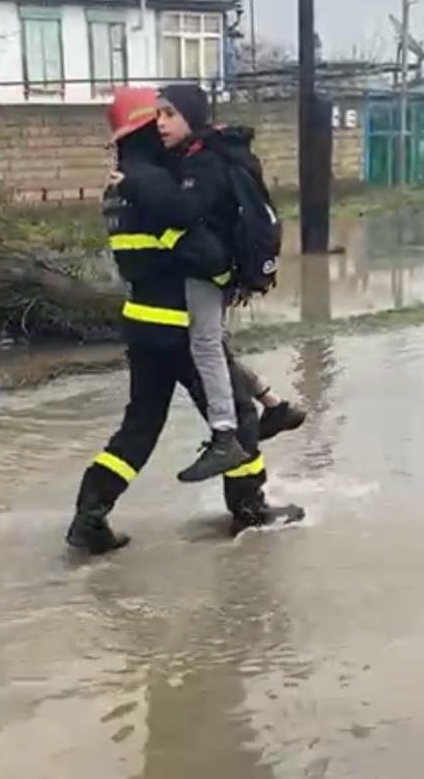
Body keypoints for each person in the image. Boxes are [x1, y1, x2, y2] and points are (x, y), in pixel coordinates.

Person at [66, 88, 302, 556]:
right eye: (154, 120)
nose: (161, 127)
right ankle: (250, 511)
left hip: (141, 321)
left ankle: (89, 515)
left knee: (139, 428)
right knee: (237, 415)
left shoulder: (119, 186)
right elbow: (199, 248)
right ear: (142, 130)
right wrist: (228, 272)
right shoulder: (157, 183)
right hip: (178, 324)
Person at [124, 82, 305, 483]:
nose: (161, 123)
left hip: (210, 266)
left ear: (192, 115)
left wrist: (134, 184)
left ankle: (225, 435)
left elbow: (186, 210)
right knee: (214, 345)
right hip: (225, 263)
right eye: (157, 115)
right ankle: (273, 405)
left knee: (204, 345)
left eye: (169, 114)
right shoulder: (209, 152)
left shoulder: (204, 161)